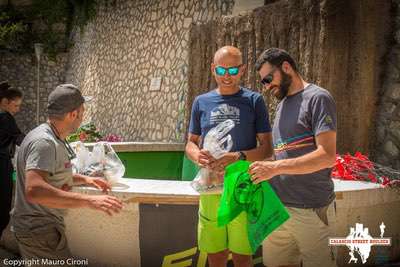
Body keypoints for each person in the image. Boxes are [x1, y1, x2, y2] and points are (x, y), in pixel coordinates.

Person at [10, 84, 123, 266]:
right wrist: (90, 201)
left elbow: (52, 174)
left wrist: (85, 179)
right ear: (72, 114)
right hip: (39, 231)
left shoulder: (51, 136)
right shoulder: (44, 142)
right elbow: (35, 190)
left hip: (39, 230)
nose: (83, 115)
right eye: (82, 111)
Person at [186, 46, 273, 267]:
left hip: (242, 187)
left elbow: (267, 149)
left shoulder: (254, 101)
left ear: (242, 70)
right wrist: (198, 156)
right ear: (212, 69)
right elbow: (190, 143)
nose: (227, 76)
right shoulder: (201, 102)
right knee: (215, 254)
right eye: (222, 70)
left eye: (233, 71)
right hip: (210, 186)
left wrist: (239, 156)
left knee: (243, 255)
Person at [250, 48, 337, 267]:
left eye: (269, 78)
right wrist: (256, 168)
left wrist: (276, 167)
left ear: (286, 67)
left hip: (310, 208)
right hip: (278, 210)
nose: (267, 86)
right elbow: (283, 156)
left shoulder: (318, 98)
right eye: (263, 82)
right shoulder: (281, 106)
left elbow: (326, 156)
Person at [0, 81, 25, 241]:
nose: (18, 109)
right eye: (16, 106)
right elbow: (21, 139)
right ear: (5, 102)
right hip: (1, 166)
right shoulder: (5, 118)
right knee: (2, 210)